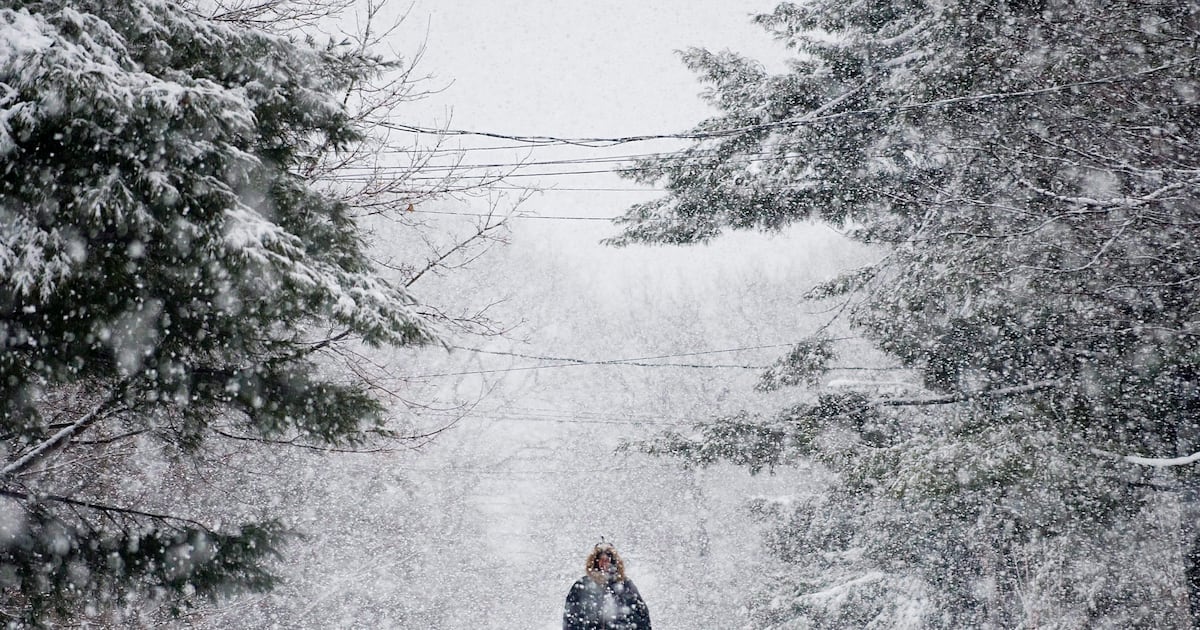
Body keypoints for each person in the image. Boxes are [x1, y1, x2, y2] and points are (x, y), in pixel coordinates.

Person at [563, 542, 652, 630]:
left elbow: (641, 615)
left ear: (613, 562)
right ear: (595, 562)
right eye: (600, 560)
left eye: (606, 560)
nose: (604, 564)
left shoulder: (625, 585)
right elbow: (571, 617)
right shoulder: (582, 585)